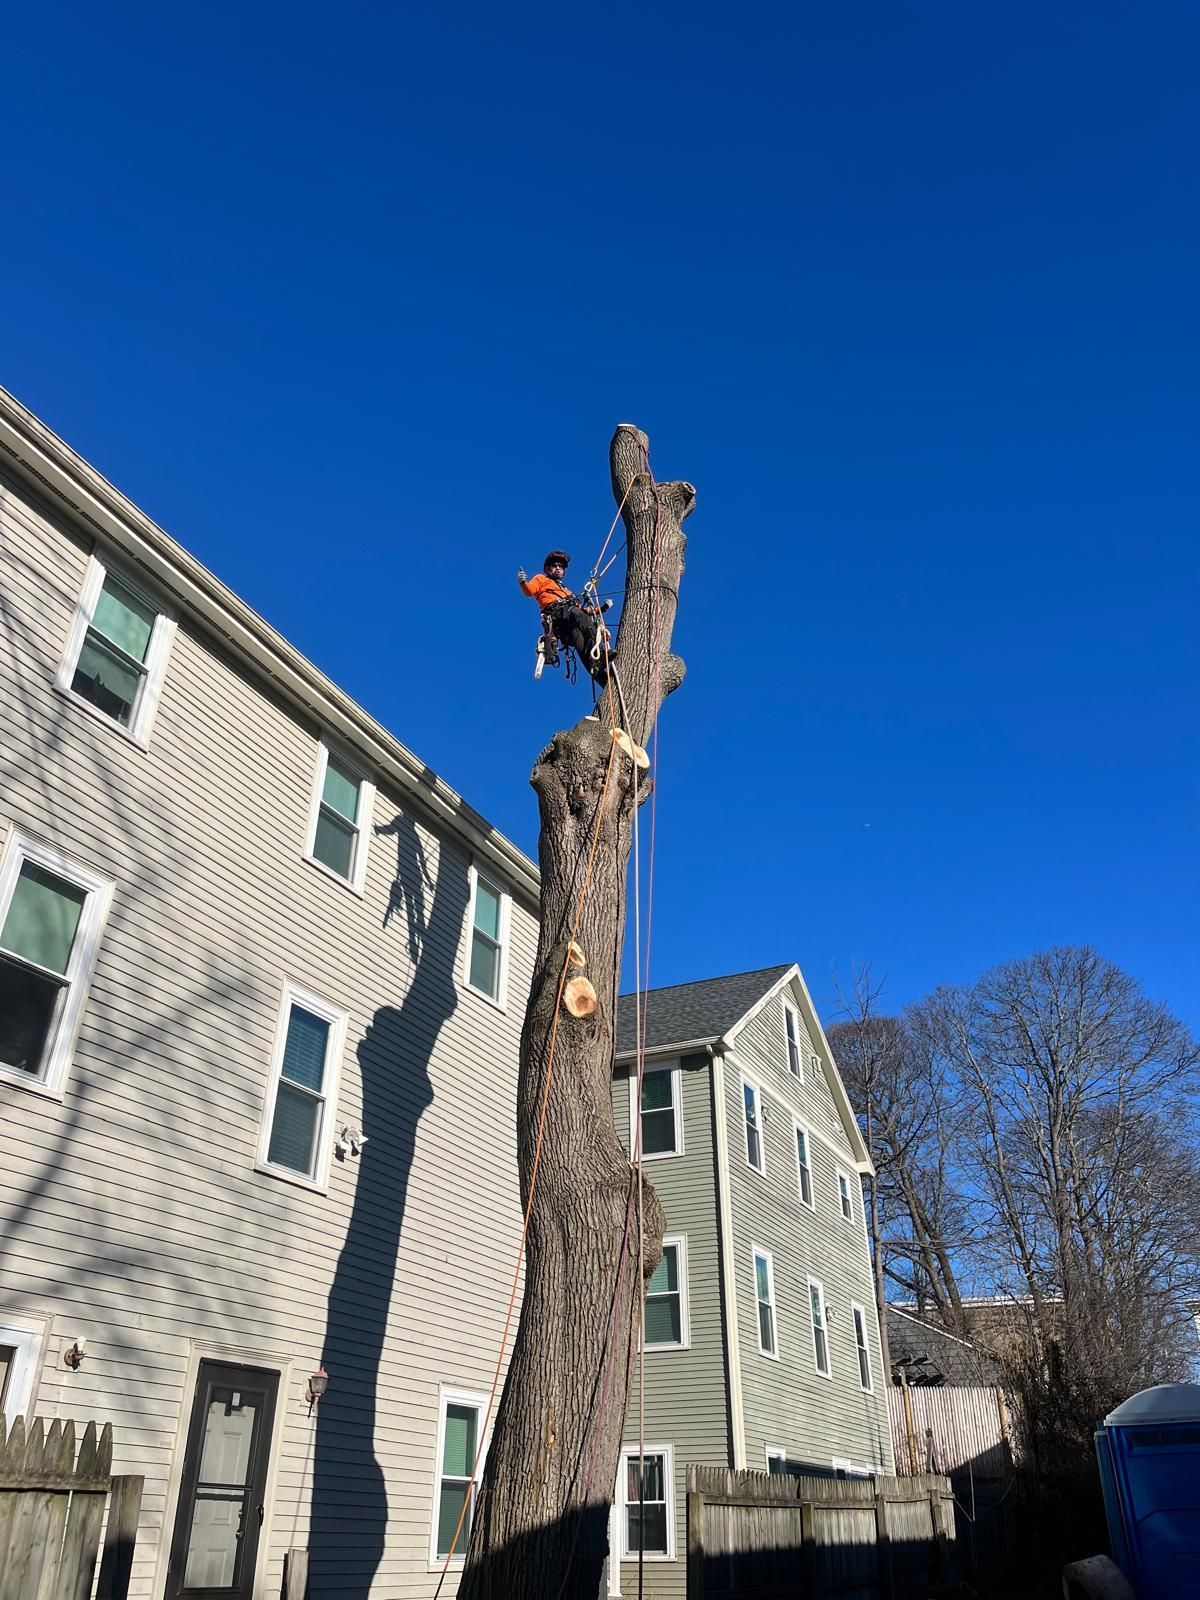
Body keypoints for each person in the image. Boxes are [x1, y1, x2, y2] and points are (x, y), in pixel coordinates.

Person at [517, 550, 612, 682]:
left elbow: (584, 611)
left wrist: (601, 609)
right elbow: (529, 591)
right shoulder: (541, 579)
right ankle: (600, 654)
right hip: (557, 614)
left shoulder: (567, 592)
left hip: (570, 620)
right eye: (555, 566)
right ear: (547, 568)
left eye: (561, 567)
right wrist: (523, 582)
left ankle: (599, 673)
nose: (558, 569)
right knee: (576, 614)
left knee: (579, 639)